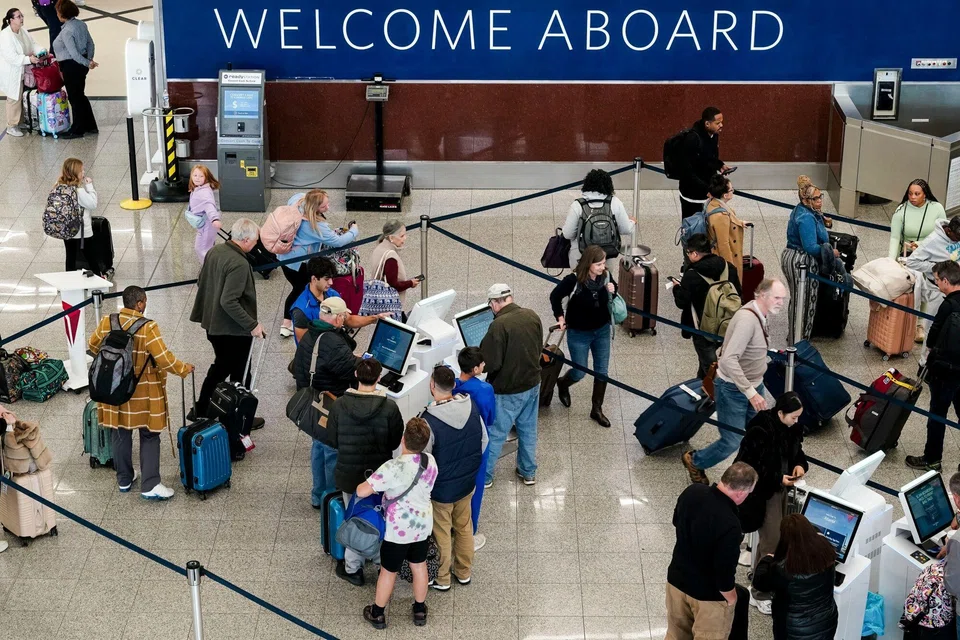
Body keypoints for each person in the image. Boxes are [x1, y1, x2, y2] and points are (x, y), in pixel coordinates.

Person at [88, 286, 193, 500]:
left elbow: (92, 344)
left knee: (120, 432)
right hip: (142, 392)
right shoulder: (148, 328)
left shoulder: (109, 320)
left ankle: (124, 479)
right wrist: (183, 368)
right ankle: (150, 484)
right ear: (140, 303)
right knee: (149, 435)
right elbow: (164, 359)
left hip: (114, 391)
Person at [683, 278, 787, 484]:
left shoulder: (760, 315)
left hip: (752, 385)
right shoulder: (748, 321)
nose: (780, 302)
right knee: (732, 440)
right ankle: (696, 461)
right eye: (776, 297)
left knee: (757, 434)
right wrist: (751, 392)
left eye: (783, 298)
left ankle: (753, 475)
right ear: (762, 295)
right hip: (734, 389)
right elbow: (729, 359)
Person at [327, 357, 404, 587]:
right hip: (380, 476)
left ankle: (353, 569)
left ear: (357, 377)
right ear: (379, 378)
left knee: (355, 519)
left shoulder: (340, 405)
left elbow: (332, 440)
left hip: (350, 476)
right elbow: (394, 442)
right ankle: (381, 564)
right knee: (381, 519)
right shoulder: (389, 407)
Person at [358, 417, 438, 630]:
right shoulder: (430, 461)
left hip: (397, 532)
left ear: (403, 440)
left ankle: (377, 613)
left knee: (388, 571)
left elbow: (362, 491)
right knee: (419, 565)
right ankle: (419, 609)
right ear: (425, 442)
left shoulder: (392, 467)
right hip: (422, 527)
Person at [733, 392, 809, 614]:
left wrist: (800, 466)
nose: (797, 421)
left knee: (777, 538)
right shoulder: (760, 431)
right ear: (780, 413)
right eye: (793, 417)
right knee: (772, 539)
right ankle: (759, 591)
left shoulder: (791, 428)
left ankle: (765, 577)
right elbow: (748, 466)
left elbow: (798, 454)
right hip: (763, 492)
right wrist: (777, 478)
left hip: (782, 487)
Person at [666, 462, 758, 640]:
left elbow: (676, 521)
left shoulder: (692, 492)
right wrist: (731, 599)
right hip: (707, 596)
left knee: (675, 635)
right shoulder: (731, 524)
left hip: (676, 582)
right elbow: (724, 574)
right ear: (740, 493)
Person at [189, 218, 266, 422]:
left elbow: (201, 281)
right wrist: (253, 324)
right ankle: (239, 417)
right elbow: (229, 301)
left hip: (213, 324)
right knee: (241, 374)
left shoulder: (215, 251)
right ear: (247, 239)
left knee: (221, 367)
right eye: (256, 239)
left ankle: (202, 408)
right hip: (232, 330)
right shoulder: (239, 263)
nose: (257, 243)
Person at [422, 365, 486, 591]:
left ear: (432, 386)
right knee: (464, 527)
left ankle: (442, 578)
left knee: (441, 533)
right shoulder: (472, 407)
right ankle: (464, 572)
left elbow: (425, 461)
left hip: (441, 491)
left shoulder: (429, 420)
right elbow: (484, 441)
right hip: (467, 483)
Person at [292, 297, 360, 510]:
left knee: (318, 447)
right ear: (338, 318)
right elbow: (350, 370)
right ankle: (330, 497)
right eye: (344, 316)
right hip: (330, 405)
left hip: (312, 403)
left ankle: (317, 494)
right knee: (332, 451)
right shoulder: (333, 342)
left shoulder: (310, 334)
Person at [480, 283, 543, 487]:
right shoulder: (532, 315)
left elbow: (491, 362)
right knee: (528, 429)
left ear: (496, 302)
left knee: (497, 433)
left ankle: (487, 477)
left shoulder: (499, 325)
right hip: (533, 383)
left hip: (508, 390)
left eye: (491, 304)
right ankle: (528, 472)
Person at [550, 244, 618, 428]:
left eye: (604, 263)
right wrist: (560, 317)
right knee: (580, 371)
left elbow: (613, 293)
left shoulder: (606, 276)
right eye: (599, 264)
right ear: (589, 264)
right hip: (579, 333)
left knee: (602, 372)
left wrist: (613, 289)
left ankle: (596, 409)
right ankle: (563, 383)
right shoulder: (573, 281)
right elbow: (555, 296)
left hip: (602, 330)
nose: (603, 267)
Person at [279, 190, 358, 338]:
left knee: (297, 288)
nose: (327, 208)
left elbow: (295, 196)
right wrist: (354, 231)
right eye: (324, 206)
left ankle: (287, 322)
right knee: (300, 289)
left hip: (285, 257)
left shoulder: (298, 200)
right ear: (314, 206)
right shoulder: (313, 226)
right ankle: (287, 322)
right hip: (298, 263)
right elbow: (337, 241)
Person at [906, 261, 960, 471]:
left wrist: (927, 360)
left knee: (937, 414)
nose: (936, 284)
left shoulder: (948, 305)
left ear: (946, 281)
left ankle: (932, 459)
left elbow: (933, 337)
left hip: (945, 370)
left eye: (937, 280)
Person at [751, 514, 839, 639]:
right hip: (825, 621)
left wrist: (767, 559)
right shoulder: (826, 550)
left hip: (793, 629)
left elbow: (759, 582)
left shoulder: (783, 569)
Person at [670, 232, 742, 378]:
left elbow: (681, 302)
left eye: (689, 252)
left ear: (695, 254)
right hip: (728, 324)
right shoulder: (728, 267)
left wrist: (676, 287)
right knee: (706, 366)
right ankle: (701, 389)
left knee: (710, 370)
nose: (688, 256)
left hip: (703, 328)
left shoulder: (692, 275)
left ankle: (710, 394)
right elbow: (739, 293)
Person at [781, 176, 840, 342]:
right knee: (804, 301)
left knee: (799, 298)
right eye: (816, 198)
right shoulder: (806, 217)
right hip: (801, 261)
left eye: (821, 197)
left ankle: (795, 336)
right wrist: (830, 252)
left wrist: (824, 222)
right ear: (806, 200)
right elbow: (811, 247)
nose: (820, 200)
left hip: (794, 257)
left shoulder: (806, 211)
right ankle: (799, 340)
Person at [889, 179, 948, 343]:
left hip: (933, 254)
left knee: (927, 286)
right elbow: (895, 238)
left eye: (917, 194)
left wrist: (921, 244)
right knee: (916, 284)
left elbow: (943, 235)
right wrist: (890, 261)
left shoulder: (936, 208)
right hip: (908, 255)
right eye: (910, 193)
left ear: (925, 194)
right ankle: (912, 323)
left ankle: (920, 323)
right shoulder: (901, 211)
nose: (912, 197)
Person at [902, 216, 960, 365]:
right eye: (957, 237)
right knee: (934, 327)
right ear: (949, 231)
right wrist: (938, 269)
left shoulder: (957, 236)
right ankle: (924, 362)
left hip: (957, 288)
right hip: (938, 290)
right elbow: (913, 261)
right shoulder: (932, 241)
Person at [454, 346, 495, 551]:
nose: (484, 365)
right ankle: (470, 533)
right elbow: (490, 418)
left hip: (454, 445)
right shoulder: (485, 390)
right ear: (476, 369)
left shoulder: (452, 386)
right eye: (482, 364)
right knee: (475, 490)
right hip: (478, 444)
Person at [289, 256, 383, 344]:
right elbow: (305, 343)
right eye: (326, 279)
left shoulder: (332, 294)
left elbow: (348, 319)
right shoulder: (300, 310)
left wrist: (374, 319)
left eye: (331, 278)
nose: (331, 282)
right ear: (314, 279)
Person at [560, 168, 636, 272]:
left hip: (580, 256)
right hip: (605, 257)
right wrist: (632, 221)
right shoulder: (615, 202)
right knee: (604, 285)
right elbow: (626, 229)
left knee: (580, 285)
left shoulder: (578, 205)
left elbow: (568, 234)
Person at [53, 0, 98, 139]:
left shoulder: (67, 31)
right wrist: (88, 60)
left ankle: (78, 129)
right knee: (80, 95)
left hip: (71, 66)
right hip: (80, 66)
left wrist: (87, 63)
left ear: (62, 14)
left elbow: (73, 54)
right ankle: (90, 125)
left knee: (75, 97)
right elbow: (91, 44)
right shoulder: (81, 24)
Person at [674, 107, 730, 219]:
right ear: (707, 124)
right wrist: (707, 188)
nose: (721, 125)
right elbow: (687, 171)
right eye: (718, 123)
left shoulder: (714, 135)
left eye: (722, 122)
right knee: (693, 228)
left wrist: (720, 165)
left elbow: (709, 157)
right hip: (692, 195)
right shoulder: (692, 140)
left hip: (707, 192)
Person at [0, 8, 40, 137]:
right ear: (11, 20)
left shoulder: (23, 31)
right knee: (14, 98)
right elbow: (11, 57)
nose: (22, 18)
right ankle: (11, 125)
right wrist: (28, 59)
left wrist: (40, 51)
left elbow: (32, 44)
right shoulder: (5, 36)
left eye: (22, 15)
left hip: (23, 70)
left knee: (21, 96)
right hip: (12, 71)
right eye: (18, 16)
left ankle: (20, 121)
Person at [55, 157, 99, 272]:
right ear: (76, 174)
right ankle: (98, 277)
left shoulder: (59, 186)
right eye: (81, 171)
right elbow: (93, 204)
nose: (84, 172)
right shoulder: (78, 191)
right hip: (82, 230)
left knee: (70, 256)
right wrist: (90, 187)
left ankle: (70, 281)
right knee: (91, 256)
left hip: (66, 229)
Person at [368, 219, 420, 316]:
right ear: (391, 237)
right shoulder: (390, 257)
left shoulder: (379, 247)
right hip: (392, 306)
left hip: (380, 299)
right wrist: (410, 283)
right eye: (402, 236)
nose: (405, 238)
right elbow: (393, 285)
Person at [703, 174, 748, 282]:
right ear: (725, 195)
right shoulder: (721, 216)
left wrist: (739, 223)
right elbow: (723, 245)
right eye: (731, 190)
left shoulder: (711, 203)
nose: (733, 192)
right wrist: (730, 269)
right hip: (726, 256)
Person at [187, 165, 222, 266]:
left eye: (201, 176)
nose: (197, 178)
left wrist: (214, 219)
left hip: (207, 224)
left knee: (201, 248)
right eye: (195, 175)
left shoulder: (204, 193)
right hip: (205, 224)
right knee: (208, 245)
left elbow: (209, 206)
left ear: (206, 178)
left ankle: (209, 269)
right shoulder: (199, 188)